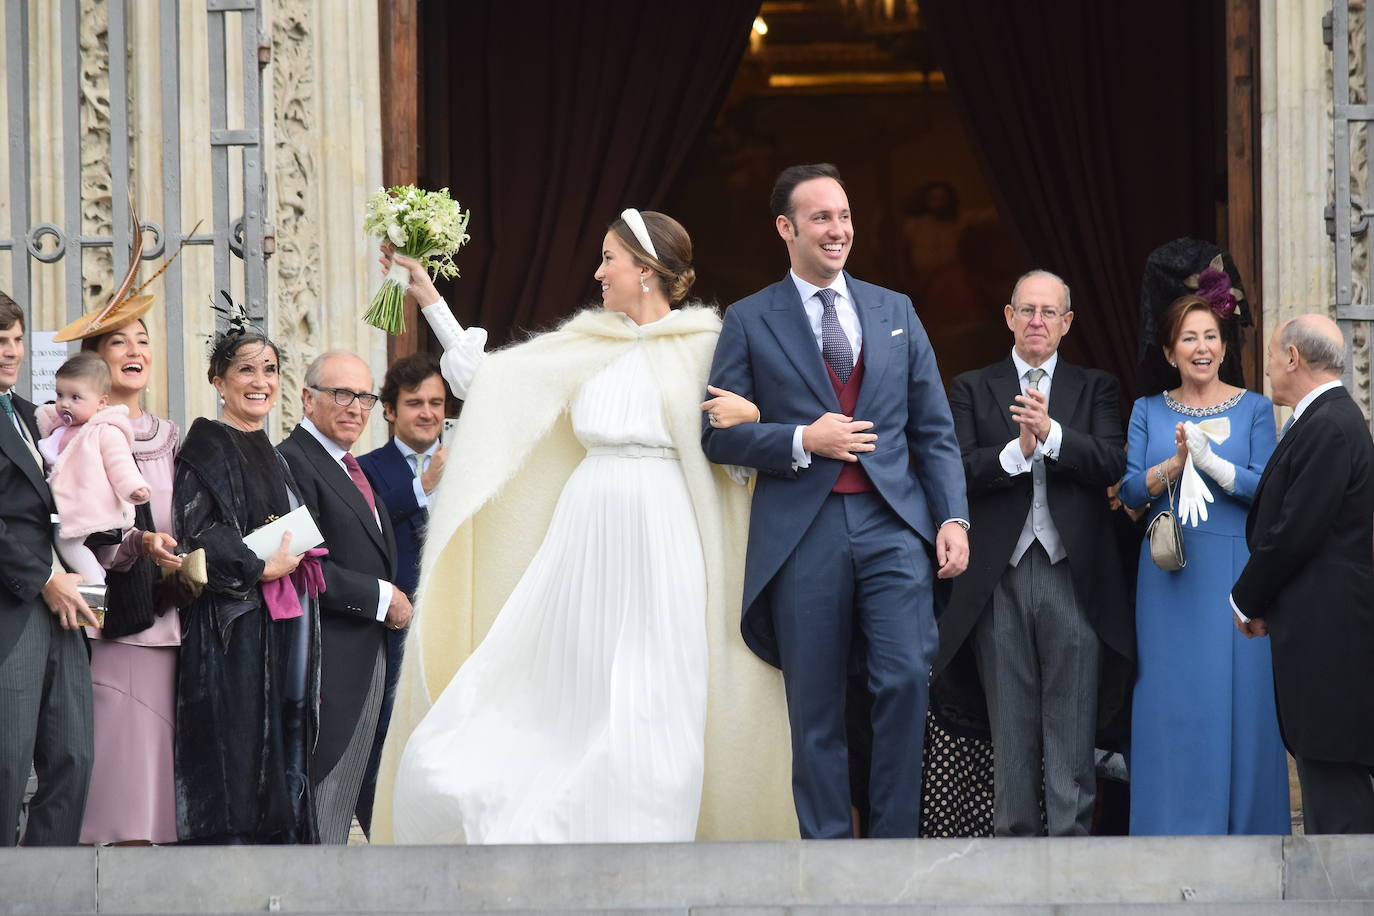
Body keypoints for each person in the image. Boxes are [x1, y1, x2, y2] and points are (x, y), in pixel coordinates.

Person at [379, 209, 795, 844]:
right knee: (566, 683)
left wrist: (752, 420)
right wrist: (432, 299)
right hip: (585, 532)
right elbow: (488, 385)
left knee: (659, 684)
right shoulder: (585, 345)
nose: (598, 272)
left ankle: (653, 836)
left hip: (667, 533)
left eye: (610, 259)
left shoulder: (712, 345)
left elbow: (752, 454)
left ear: (648, 272)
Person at [701, 163, 969, 840]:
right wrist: (801, 438)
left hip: (892, 525)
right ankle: (827, 858)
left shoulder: (896, 310)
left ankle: (893, 851)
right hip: (803, 533)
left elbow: (934, 429)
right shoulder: (749, 319)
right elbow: (716, 436)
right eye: (821, 217)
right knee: (814, 703)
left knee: (907, 675)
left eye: (844, 216)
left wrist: (953, 517)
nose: (838, 230)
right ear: (786, 229)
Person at [936, 269, 1131, 837]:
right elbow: (956, 468)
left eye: (1050, 312)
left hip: (1074, 574)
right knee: (1012, 730)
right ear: (1008, 316)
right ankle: (1014, 853)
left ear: (1067, 323)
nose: (1037, 321)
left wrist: (1053, 435)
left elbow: (1111, 462)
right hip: (999, 576)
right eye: (1027, 310)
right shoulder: (972, 387)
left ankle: (1070, 856)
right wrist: (1015, 453)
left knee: (1072, 727)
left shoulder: (1096, 387)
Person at [1120, 293, 1288, 835]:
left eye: (1210, 336)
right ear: (1170, 351)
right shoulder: (1148, 409)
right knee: (1171, 706)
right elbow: (1127, 491)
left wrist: (1215, 466)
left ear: (1224, 347)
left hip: (1233, 577)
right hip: (1169, 577)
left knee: (1236, 705)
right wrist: (1174, 464)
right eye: (1189, 338)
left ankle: (1245, 835)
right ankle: (1166, 837)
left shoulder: (1255, 408)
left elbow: (1269, 487)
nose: (1201, 347)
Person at [173, 325, 321, 844]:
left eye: (270, 370)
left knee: (282, 745)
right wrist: (261, 567)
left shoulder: (273, 451)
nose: (260, 381)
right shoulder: (205, 446)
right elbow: (196, 533)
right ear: (219, 381)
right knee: (234, 754)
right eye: (246, 370)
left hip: (279, 625)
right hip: (229, 634)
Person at [48, 298, 187, 846]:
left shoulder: (173, 436)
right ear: (96, 364)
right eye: (119, 341)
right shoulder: (70, 437)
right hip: (107, 617)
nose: (136, 350)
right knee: (114, 778)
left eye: (144, 339)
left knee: (161, 776)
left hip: (170, 618)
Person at [1231, 315, 1374, 834]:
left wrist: (1246, 599)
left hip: (1329, 636)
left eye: (1272, 354)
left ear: (1292, 357)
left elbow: (1296, 530)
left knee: (1335, 794)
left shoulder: (1330, 425)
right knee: (1323, 780)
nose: (1267, 368)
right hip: (1318, 629)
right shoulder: (1326, 420)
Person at [278, 351, 407, 844]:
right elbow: (302, 566)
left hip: (365, 657)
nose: (356, 407)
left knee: (337, 815)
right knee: (320, 816)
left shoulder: (352, 465)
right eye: (342, 394)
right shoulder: (290, 461)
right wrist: (380, 596)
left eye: (365, 397)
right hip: (323, 666)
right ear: (308, 398)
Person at [0, 291, 97, 845]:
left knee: (74, 756)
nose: (11, 352)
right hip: (16, 604)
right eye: (1, 342)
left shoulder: (24, 413)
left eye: (17, 339)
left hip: (62, 603)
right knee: (8, 766)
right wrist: (41, 579)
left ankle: (50, 891)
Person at [355, 353, 448, 835]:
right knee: (388, 739)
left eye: (436, 402)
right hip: (391, 633)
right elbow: (358, 531)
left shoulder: (469, 463)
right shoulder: (363, 469)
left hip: (455, 628)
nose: (428, 413)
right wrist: (422, 485)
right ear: (389, 410)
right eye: (415, 403)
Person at [35, 353, 151, 589]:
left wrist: (133, 488)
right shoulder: (59, 429)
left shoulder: (104, 431)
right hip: (66, 506)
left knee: (67, 543)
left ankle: (95, 584)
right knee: (60, 542)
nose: (64, 404)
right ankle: (93, 573)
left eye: (75, 397)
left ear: (100, 403)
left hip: (90, 506)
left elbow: (119, 463)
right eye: (60, 395)